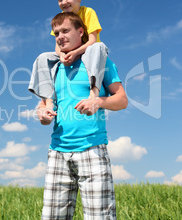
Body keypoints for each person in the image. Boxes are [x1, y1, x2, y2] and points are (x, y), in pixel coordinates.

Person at [30, 12, 128, 219]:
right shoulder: (54, 68)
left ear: (80, 32)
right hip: (57, 152)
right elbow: (43, 106)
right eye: (56, 33)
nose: (60, 36)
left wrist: (98, 101)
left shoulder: (99, 61)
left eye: (65, 30)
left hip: (92, 149)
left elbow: (122, 100)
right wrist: (42, 114)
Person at [29, 0, 108, 109]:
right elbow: (57, 46)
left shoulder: (88, 12)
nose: (63, 2)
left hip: (88, 53)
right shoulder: (60, 18)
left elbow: (92, 40)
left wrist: (75, 52)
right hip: (68, 54)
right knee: (43, 57)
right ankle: (49, 100)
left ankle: (94, 92)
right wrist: (61, 56)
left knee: (99, 47)